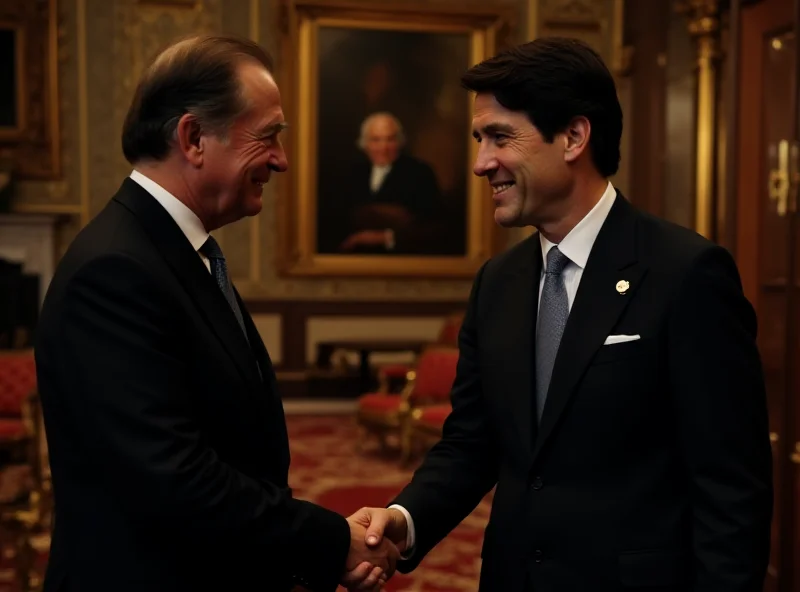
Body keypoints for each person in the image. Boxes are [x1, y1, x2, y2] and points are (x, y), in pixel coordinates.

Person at [353, 37, 774, 591]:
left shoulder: (687, 275)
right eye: (480, 139)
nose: (481, 164)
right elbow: (472, 444)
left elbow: (730, 489)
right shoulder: (497, 285)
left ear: (574, 136)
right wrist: (403, 521)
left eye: (500, 137)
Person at [34, 35, 397, 592]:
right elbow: (172, 479)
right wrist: (329, 540)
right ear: (193, 137)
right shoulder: (114, 271)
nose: (280, 159)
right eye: (268, 136)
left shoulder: (172, 251)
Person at [318, 112, 442, 254]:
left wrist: (384, 238)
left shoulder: (420, 173)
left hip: (404, 260)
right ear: (364, 143)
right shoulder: (350, 173)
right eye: (376, 140)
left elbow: (434, 226)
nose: (383, 148)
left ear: (400, 141)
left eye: (390, 140)